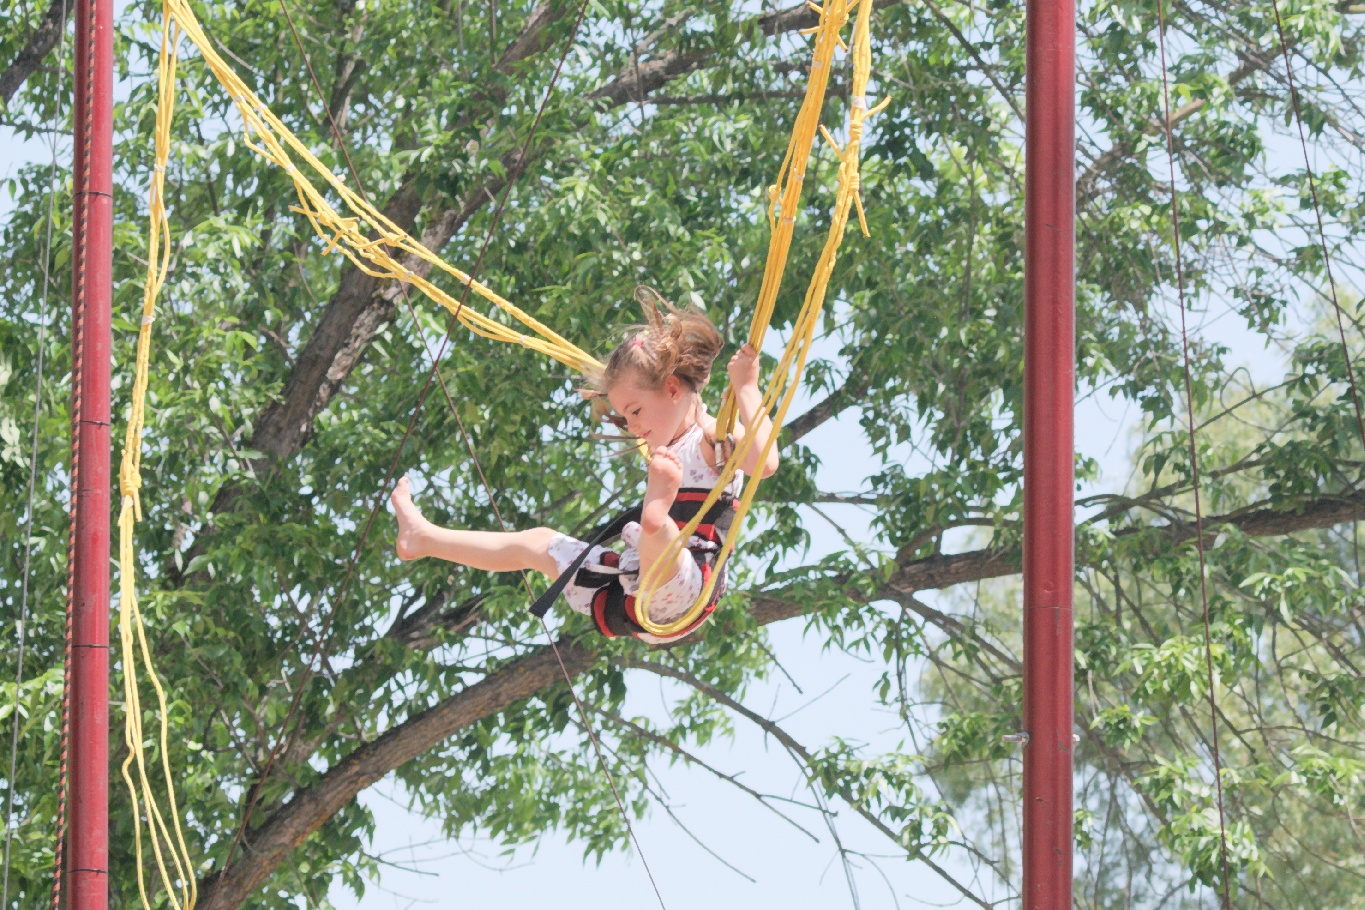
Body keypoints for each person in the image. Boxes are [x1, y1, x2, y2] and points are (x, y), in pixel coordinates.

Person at [390, 292, 780, 643]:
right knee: (537, 543)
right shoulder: (667, 445)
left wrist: (746, 388)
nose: (633, 427)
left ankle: (656, 517)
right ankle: (424, 538)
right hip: (631, 590)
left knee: (658, 534)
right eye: (626, 417)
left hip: (686, 585)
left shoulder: (711, 437)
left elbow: (766, 462)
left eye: (636, 411)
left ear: (674, 389)